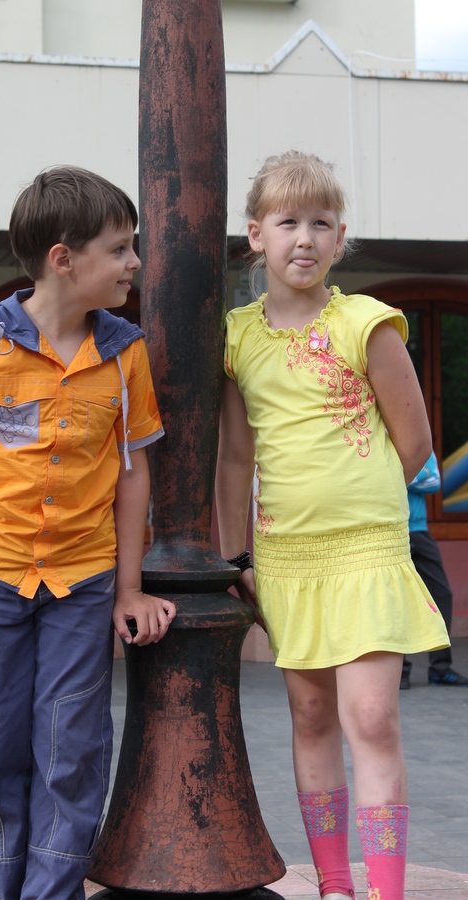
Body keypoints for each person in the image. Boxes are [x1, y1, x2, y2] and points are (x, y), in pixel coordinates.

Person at [0, 166, 176, 900]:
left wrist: (129, 588)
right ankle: (8, 885)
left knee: (73, 740)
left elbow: (132, 474)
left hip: (82, 580)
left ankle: (52, 891)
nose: (133, 263)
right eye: (119, 249)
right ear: (64, 259)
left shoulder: (125, 354)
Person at [215, 150, 449, 900]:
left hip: (367, 552)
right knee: (311, 715)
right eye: (288, 222)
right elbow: (234, 460)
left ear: (340, 238)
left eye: (322, 223)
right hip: (286, 559)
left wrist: (361, 499)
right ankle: (334, 886)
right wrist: (237, 559)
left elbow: (415, 441)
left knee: (372, 717)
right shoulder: (237, 338)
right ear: (256, 235)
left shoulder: (366, 323)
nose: (305, 238)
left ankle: (386, 891)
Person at [401, 450, 468, 688]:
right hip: (393, 530)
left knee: (442, 594)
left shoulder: (422, 446)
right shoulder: (379, 439)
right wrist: (417, 474)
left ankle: (440, 669)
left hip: (420, 530)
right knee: (398, 600)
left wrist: (400, 475)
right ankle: (400, 672)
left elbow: (434, 483)